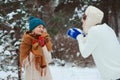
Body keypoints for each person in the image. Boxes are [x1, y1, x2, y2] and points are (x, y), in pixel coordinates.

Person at [67, 5, 120, 80]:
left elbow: (85, 53)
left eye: (84, 20)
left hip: (114, 76)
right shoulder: (107, 29)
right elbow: (92, 41)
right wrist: (82, 37)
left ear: (89, 19)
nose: (82, 23)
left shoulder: (94, 31)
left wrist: (78, 37)